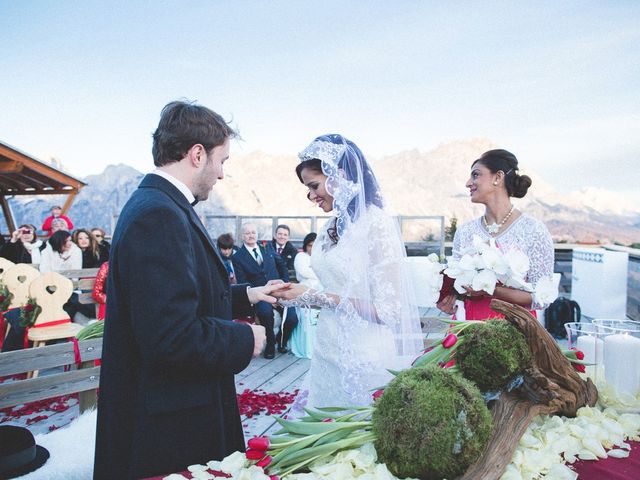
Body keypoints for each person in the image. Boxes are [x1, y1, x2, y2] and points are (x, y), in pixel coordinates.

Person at [93, 100, 286, 480]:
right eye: (223, 160)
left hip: (172, 408)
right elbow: (170, 335)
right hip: (168, 425)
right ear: (197, 154)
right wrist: (245, 338)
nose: (222, 174)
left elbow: (174, 298)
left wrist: (245, 294)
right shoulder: (158, 215)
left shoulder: (159, 204)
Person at [276, 134, 423, 409]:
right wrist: (292, 294)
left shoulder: (376, 225)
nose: (311, 196)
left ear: (339, 175)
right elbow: (334, 288)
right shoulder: (330, 228)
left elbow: (389, 311)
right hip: (326, 354)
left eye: (314, 186)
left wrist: (315, 297)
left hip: (365, 357)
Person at [436, 149, 555, 320]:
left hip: (514, 330)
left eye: (476, 175)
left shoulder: (533, 230)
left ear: (498, 178)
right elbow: (458, 284)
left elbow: (540, 298)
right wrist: (449, 298)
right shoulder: (465, 231)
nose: (468, 183)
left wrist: (491, 289)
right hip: (469, 328)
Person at [233, 223, 299, 358]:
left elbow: (281, 265)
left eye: (253, 232)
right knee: (265, 313)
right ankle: (270, 342)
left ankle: (281, 341)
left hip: (279, 290)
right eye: (247, 233)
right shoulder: (238, 257)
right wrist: (262, 294)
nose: (251, 235)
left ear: (257, 234)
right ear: (242, 236)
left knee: (292, 318)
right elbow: (243, 282)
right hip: (260, 294)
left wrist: (285, 283)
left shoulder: (266, 246)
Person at [289, 232, 320, 359]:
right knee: (307, 317)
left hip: (320, 291)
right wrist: (320, 273)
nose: (312, 248)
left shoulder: (320, 257)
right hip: (304, 290)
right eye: (310, 245)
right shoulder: (301, 256)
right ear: (306, 246)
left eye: (315, 245)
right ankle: (306, 347)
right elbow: (304, 271)